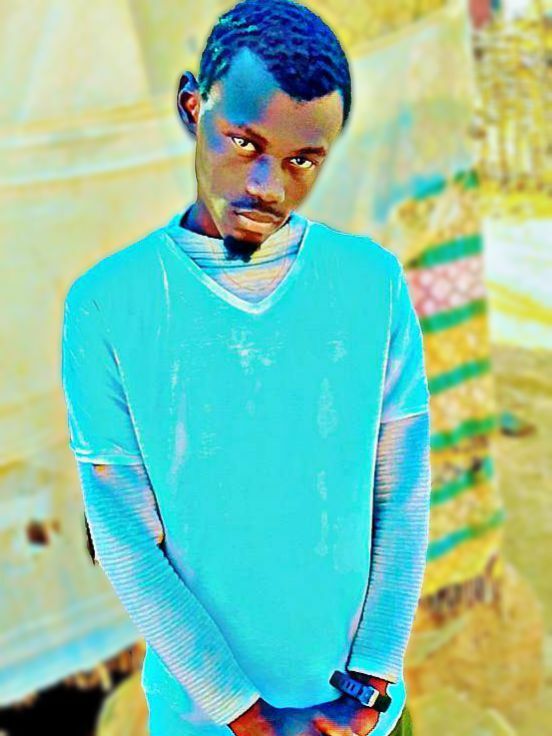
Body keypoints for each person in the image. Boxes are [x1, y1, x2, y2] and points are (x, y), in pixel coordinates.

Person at [61, 1, 431, 734]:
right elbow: (125, 536)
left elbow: (403, 491)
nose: (268, 185)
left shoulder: (372, 283)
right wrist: (243, 714)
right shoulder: (108, 303)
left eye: (302, 161)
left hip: (355, 712)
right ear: (192, 106)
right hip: (203, 716)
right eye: (243, 142)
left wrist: (368, 683)